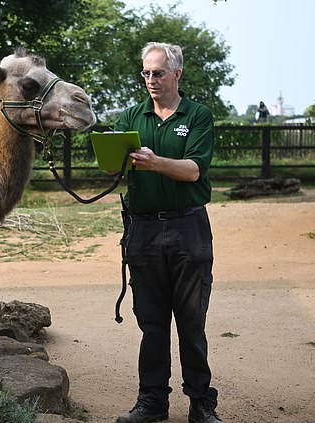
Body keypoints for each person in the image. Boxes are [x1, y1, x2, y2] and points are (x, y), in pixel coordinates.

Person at [113, 42, 222, 423]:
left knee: (191, 322)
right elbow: (113, 166)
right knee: (152, 323)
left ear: (177, 74)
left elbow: (194, 170)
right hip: (141, 231)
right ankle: (152, 402)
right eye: (145, 73)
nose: (150, 79)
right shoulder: (131, 115)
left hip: (188, 229)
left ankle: (200, 404)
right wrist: (110, 158)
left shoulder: (198, 116)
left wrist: (156, 163)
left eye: (158, 72)